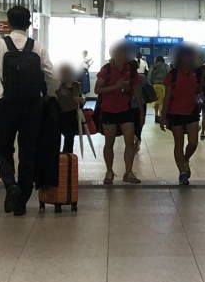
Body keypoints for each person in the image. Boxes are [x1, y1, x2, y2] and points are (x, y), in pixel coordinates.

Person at [0, 5, 54, 215]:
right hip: (32, 107)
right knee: (28, 152)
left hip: (6, 105)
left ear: (8, 23)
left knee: (3, 148)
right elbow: (51, 75)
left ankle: (11, 185)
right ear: (29, 24)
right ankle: (21, 201)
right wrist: (49, 98)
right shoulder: (37, 47)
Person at [95, 42, 141, 185]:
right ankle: (109, 172)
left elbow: (137, 91)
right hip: (108, 110)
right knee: (109, 143)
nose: (123, 56)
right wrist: (116, 86)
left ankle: (129, 172)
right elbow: (97, 90)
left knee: (130, 142)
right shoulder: (106, 69)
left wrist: (141, 110)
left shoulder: (131, 70)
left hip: (126, 111)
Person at [161, 45, 203, 185]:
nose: (187, 58)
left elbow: (199, 93)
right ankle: (182, 172)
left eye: (189, 56)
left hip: (192, 111)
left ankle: (185, 160)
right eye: (184, 56)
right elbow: (167, 97)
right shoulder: (172, 75)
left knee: (193, 142)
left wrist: (202, 100)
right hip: (175, 112)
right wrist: (163, 116)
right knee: (178, 143)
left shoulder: (197, 74)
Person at [53, 63, 84, 155]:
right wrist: (73, 99)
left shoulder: (77, 85)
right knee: (62, 135)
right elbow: (59, 100)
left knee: (70, 137)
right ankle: (58, 156)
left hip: (73, 114)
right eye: (64, 73)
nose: (67, 75)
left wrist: (81, 100)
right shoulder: (58, 86)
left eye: (69, 72)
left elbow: (80, 100)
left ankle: (67, 156)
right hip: (61, 115)